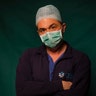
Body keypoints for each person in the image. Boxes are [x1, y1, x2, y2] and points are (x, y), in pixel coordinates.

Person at [16, 5, 90, 96]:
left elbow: (79, 93)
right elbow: (22, 90)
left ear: (63, 27)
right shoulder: (28, 56)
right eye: (42, 30)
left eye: (53, 27)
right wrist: (59, 85)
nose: (48, 34)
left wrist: (36, 89)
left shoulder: (80, 59)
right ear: (38, 33)